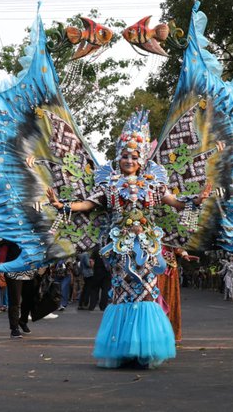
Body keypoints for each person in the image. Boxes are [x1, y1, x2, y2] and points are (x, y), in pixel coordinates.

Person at [46, 112, 211, 368]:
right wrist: (63, 205)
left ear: (142, 157)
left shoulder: (154, 183)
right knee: (122, 295)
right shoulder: (109, 184)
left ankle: (144, 350)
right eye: (124, 155)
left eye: (134, 156)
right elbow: (88, 204)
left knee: (145, 295)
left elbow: (176, 204)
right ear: (118, 156)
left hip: (147, 249)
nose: (129, 160)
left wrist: (196, 200)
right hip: (119, 251)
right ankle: (123, 349)